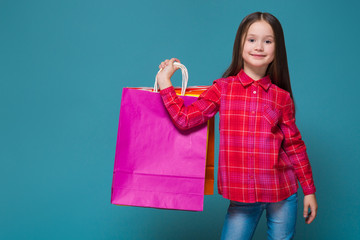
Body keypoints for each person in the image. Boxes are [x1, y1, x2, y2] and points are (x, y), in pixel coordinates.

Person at [156, 12, 317, 240]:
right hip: (241, 196)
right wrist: (165, 83)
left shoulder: (282, 98)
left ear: (276, 50)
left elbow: (294, 146)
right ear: (240, 44)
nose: (259, 46)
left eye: (267, 41)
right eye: (251, 40)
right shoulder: (222, 89)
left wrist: (309, 190)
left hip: (282, 193)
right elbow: (185, 119)